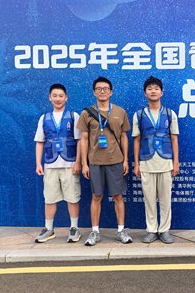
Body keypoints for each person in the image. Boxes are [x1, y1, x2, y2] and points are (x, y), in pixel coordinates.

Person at [77, 76, 132, 246]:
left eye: (106, 89)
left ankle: (121, 230)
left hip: (116, 160)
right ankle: (95, 231)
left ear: (111, 92)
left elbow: (124, 137)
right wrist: (84, 163)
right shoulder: (86, 113)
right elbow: (83, 139)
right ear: (94, 92)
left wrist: (125, 160)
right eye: (99, 89)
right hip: (95, 161)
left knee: (118, 196)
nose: (102, 91)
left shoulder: (120, 112)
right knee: (96, 196)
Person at [132, 76, 180, 244]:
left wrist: (175, 162)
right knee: (149, 200)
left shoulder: (170, 114)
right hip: (146, 162)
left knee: (166, 199)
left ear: (162, 92)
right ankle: (152, 230)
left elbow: (174, 139)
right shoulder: (139, 115)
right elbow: (136, 140)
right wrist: (136, 163)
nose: (153, 91)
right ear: (145, 93)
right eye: (150, 88)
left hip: (166, 161)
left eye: (156, 88)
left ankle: (164, 230)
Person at [34, 83, 81, 243]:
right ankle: (49, 229)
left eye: (61, 96)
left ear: (66, 97)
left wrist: (78, 162)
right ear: (50, 98)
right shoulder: (44, 118)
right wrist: (38, 163)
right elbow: (40, 142)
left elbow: (80, 141)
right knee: (49, 198)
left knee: (72, 198)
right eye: (55, 96)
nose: (58, 99)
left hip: (70, 164)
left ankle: (74, 228)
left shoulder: (74, 116)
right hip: (50, 164)